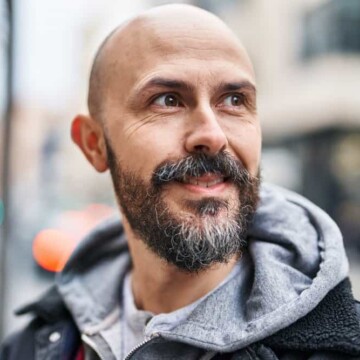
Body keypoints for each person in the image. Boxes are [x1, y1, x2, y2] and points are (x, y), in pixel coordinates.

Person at [1, 4, 360, 360]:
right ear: (95, 145)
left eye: (234, 100)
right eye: (167, 100)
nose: (212, 134)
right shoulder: (31, 346)